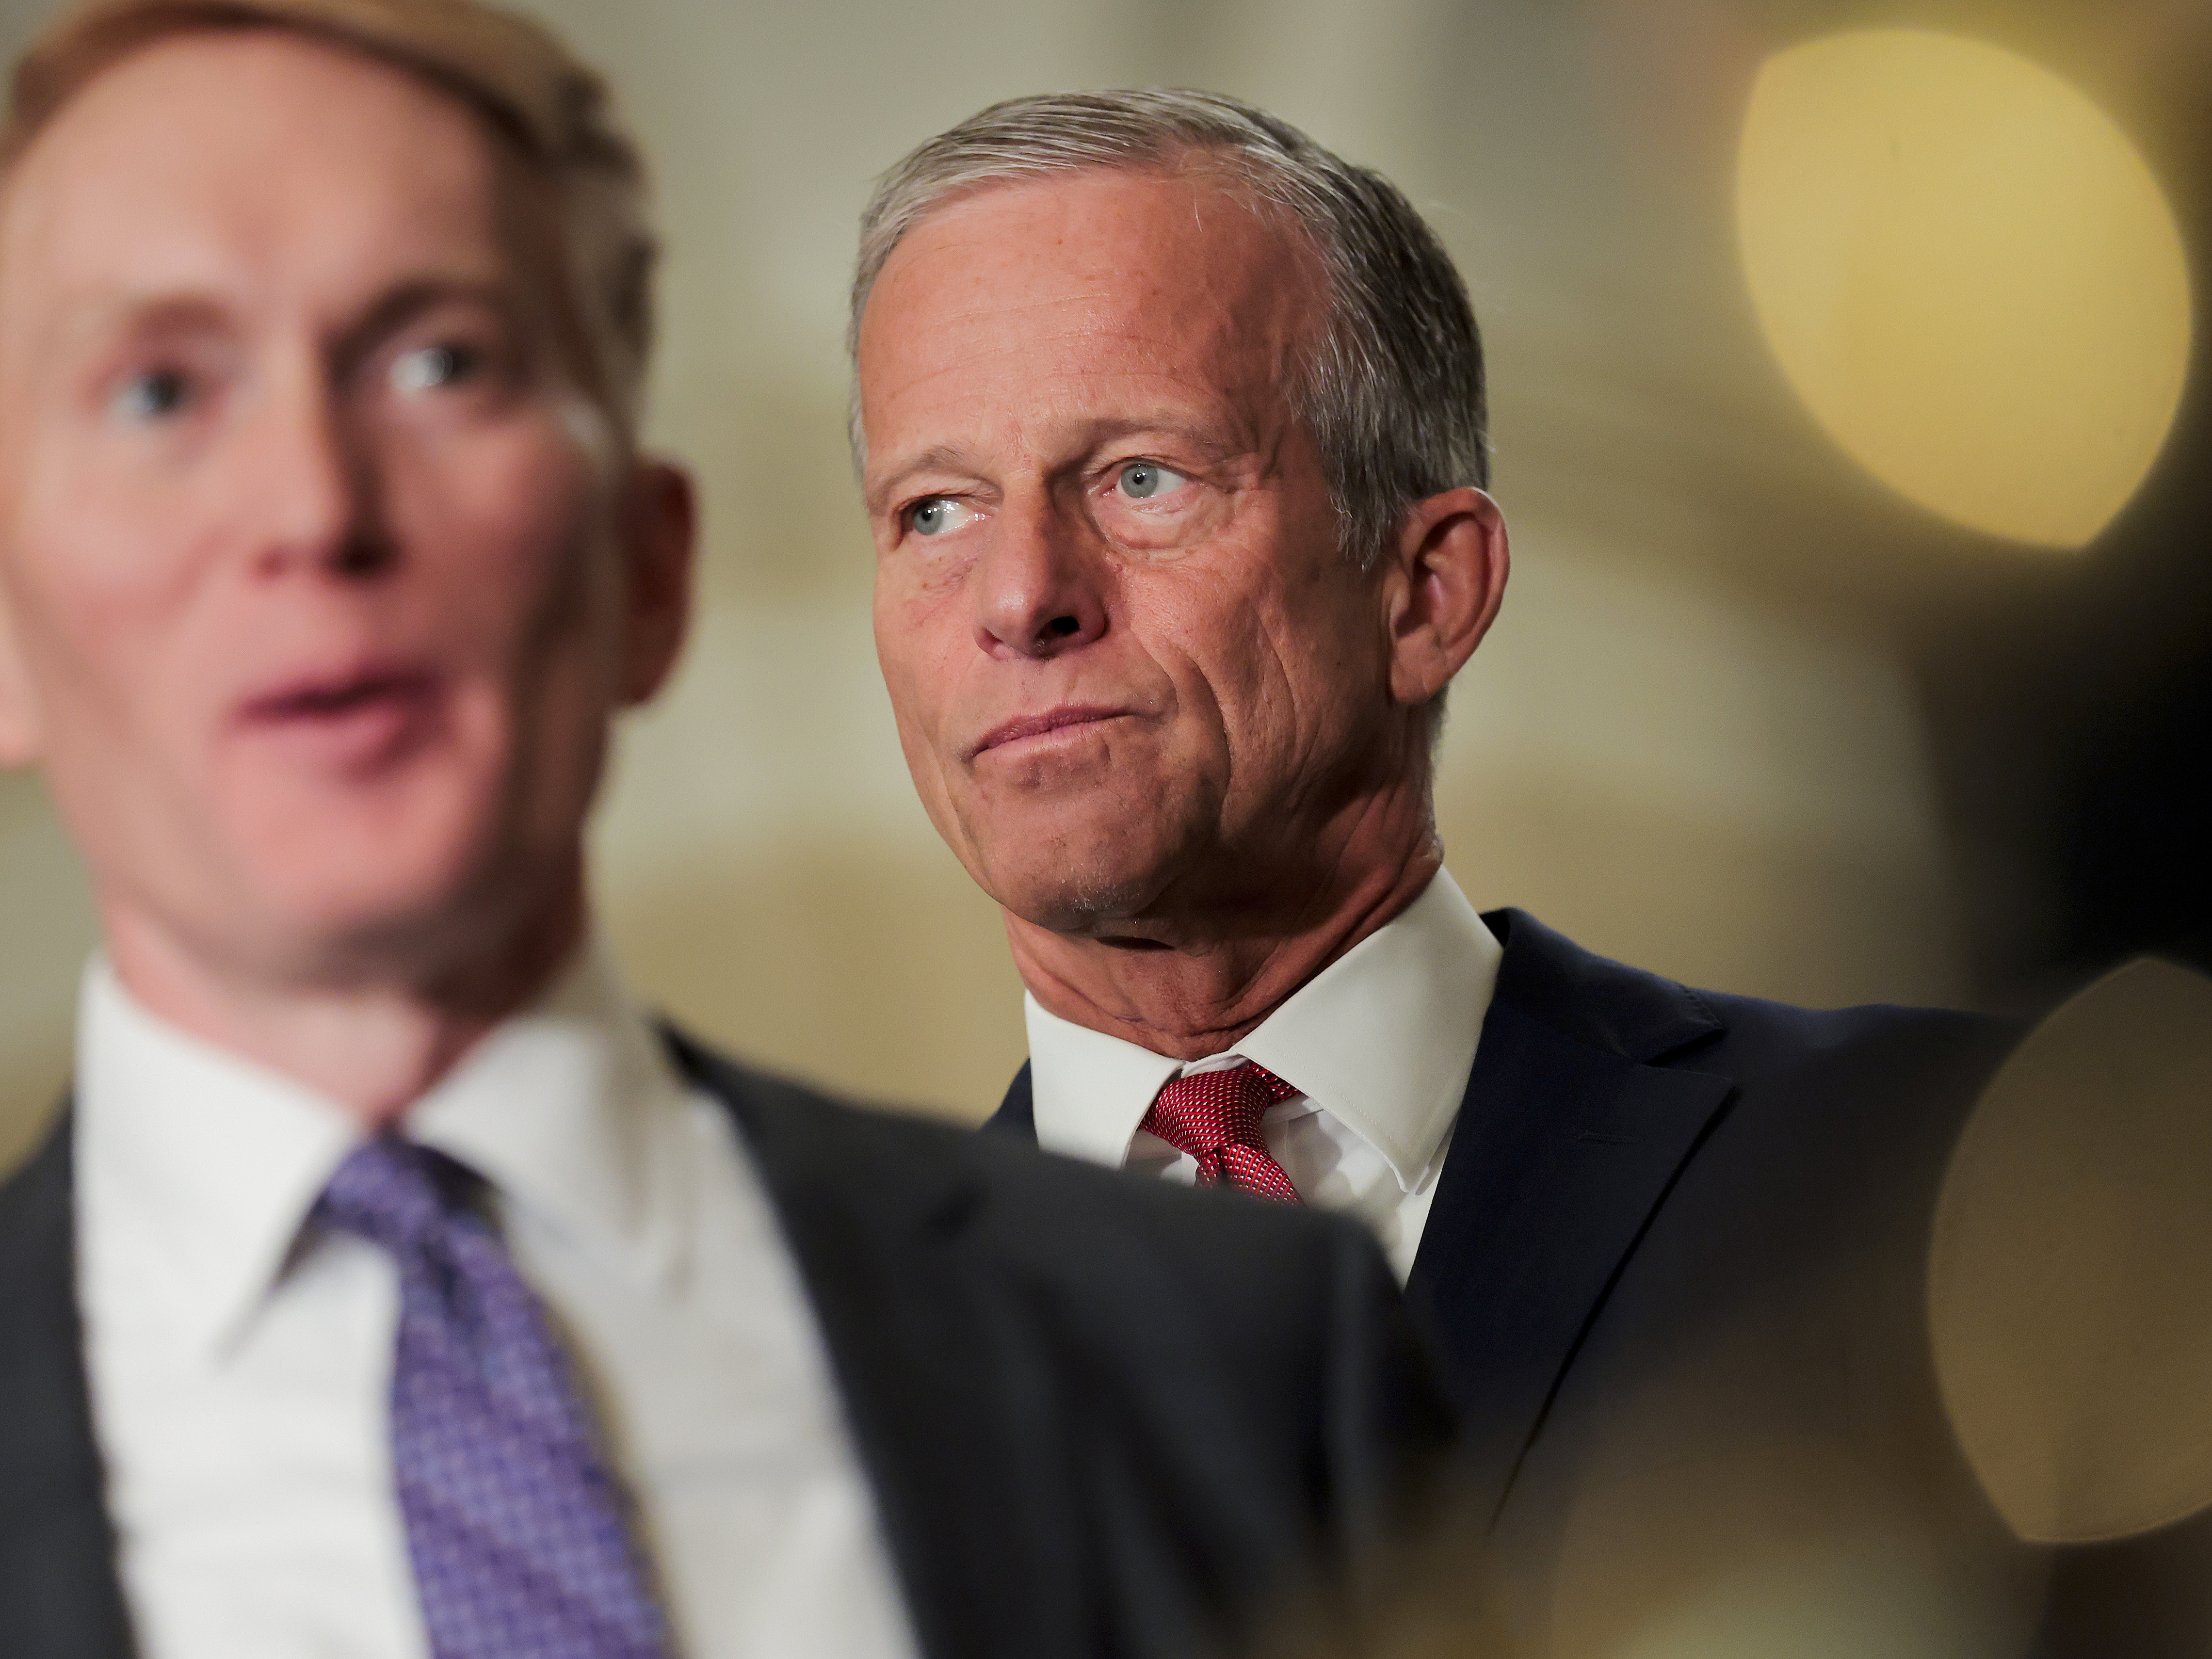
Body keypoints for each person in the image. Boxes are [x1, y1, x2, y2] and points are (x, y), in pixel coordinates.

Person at [0, 13, 1449, 1656]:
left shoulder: (1229, 1357)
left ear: (645, 569)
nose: (315, 508)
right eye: (161, 389)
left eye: (439, 363)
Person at [852, 88, 2026, 1618]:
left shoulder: (1933, 1172)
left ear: (1424, 592)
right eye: (934, 508)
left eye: (1142, 477)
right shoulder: (786, 1386)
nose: (1021, 595)